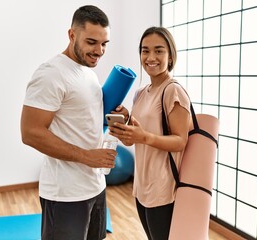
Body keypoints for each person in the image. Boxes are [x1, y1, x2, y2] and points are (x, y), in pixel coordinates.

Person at [20, 5, 128, 240]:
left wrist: (120, 115)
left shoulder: (88, 71)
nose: (99, 51)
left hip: (95, 186)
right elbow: (30, 133)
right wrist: (87, 157)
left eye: (104, 44)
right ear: (72, 35)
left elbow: (88, 120)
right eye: (92, 42)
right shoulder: (51, 73)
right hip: (65, 195)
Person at [109, 26, 191, 240]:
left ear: (171, 55)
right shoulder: (140, 93)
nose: (150, 57)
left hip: (164, 188)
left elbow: (181, 141)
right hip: (142, 185)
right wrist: (126, 122)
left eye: (158, 50)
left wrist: (143, 136)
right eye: (145, 51)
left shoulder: (173, 90)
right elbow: (137, 138)